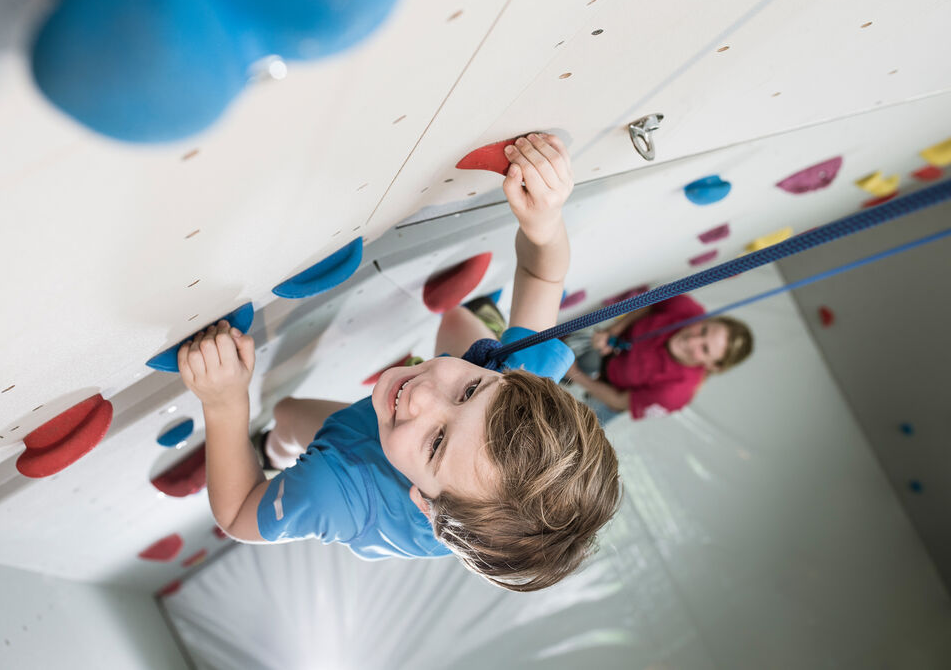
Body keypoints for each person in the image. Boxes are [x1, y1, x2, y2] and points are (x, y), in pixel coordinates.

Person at [178, 133, 622, 592]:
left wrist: (225, 403)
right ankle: (476, 353)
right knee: (457, 325)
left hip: (366, 466)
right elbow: (541, 272)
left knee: (290, 413)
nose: (423, 396)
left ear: (426, 505)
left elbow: (237, 513)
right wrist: (545, 222)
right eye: (470, 391)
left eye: (437, 443)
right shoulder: (519, 400)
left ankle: (270, 447)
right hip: (427, 434)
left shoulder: (342, 495)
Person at [563, 295, 753, 422]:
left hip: (611, 397)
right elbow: (651, 304)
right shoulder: (687, 308)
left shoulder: (675, 393)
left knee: (571, 428)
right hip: (608, 353)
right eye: (703, 330)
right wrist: (612, 331)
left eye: (704, 349)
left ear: (712, 366)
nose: (692, 340)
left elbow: (619, 400)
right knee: (561, 350)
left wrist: (576, 374)